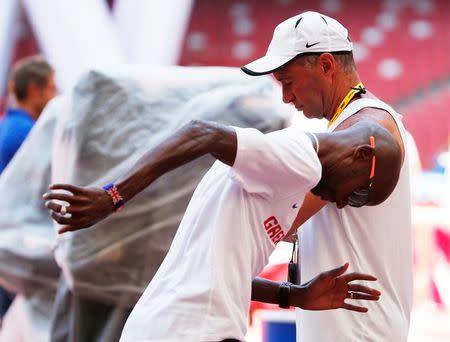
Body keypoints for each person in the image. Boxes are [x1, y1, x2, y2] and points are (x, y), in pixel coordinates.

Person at [43, 115, 401, 340]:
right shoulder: (302, 161)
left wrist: (297, 296)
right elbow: (202, 132)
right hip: (196, 328)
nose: (342, 203)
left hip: (167, 323)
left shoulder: (286, 174)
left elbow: (227, 271)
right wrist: (114, 195)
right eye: (357, 195)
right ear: (361, 156)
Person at [242, 11, 412, 341]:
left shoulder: (367, 128)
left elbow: (279, 219)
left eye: (288, 82)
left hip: (360, 331)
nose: (286, 97)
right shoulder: (350, 128)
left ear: (325, 65)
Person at [0, 55, 56, 322]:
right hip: (13, 241)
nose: (55, 96)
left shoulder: (9, 127)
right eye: (52, 88)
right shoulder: (28, 134)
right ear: (34, 90)